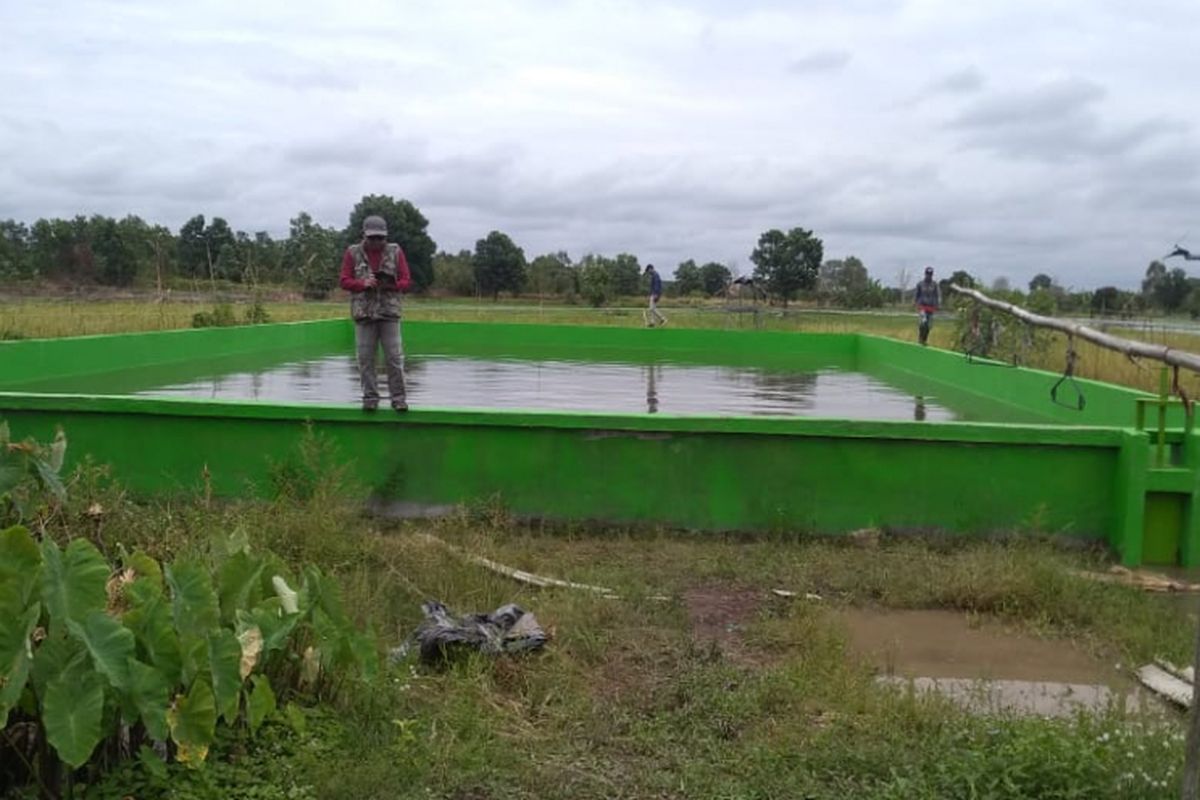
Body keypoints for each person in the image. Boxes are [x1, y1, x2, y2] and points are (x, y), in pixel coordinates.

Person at [340, 215, 412, 412]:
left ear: (385, 237)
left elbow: (406, 281)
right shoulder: (352, 252)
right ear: (364, 235)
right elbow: (344, 280)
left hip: (389, 313)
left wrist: (392, 285)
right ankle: (370, 398)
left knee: (394, 358)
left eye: (380, 238)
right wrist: (362, 284)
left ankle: (398, 399)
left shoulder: (396, 251)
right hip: (364, 315)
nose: (376, 242)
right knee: (365, 358)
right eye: (372, 238)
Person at [913, 266, 941, 346]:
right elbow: (916, 295)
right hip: (922, 306)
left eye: (930, 274)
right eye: (927, 274)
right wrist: (915, 303)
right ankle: (920, 338)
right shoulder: (920, 284)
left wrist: (938, 303)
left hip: (931, 307)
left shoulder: (935, 285)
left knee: (929, 325)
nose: (929, 276)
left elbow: (937, 295)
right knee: (923, 322)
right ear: (925, 274)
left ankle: (924, 340)